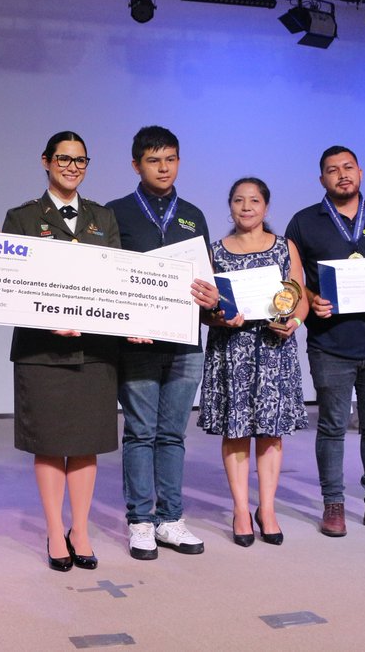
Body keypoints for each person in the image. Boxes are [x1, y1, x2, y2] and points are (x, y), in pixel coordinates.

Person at [3, 131, 121, 571]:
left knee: (86, 442)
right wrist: (49, 318)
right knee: (50, 443)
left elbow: (116, 281)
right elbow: (14, 284)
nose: (72, 167)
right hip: (42, 349)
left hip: (94, 349)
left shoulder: (103, 218)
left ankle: (82, 529)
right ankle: (55, 530)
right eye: (63, 159)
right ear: (46, 162)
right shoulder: (22, 217)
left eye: (80, 161)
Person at [285, 146, 365, 538]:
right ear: (321, 179)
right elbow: (294, 281)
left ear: (360, 171)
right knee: (332, 427)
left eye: (348, 167)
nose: (341, 174)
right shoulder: (304, 222)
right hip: (330, 345)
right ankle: (334, 505)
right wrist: (312, 300)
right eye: (332, 170)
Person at [104, 126, 220, 560]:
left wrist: (212, 297)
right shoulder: (115, 213)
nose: (164, 167)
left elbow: (205, 278)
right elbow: (109, 276)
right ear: (136, 165)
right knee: (140, 433)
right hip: (137, 341)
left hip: (186, 341)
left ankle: (170, 519)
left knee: (172, 435)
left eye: (170, 158)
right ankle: (139, 521)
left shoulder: (192, 214)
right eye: (154, 160)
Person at [199, 177, 310, 546]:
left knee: (270, 432)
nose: (246, 207)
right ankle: (241, 509)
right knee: (236, 432)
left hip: (273, 351)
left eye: (254, 201)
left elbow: (300, 297)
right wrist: (219, 317)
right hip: (231, 351)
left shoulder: (284, 247)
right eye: (239, 200)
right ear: (229, 206)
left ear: (266, 206)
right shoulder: (215, 251)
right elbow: (204, 311)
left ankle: (268, 509)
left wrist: (292, 322)